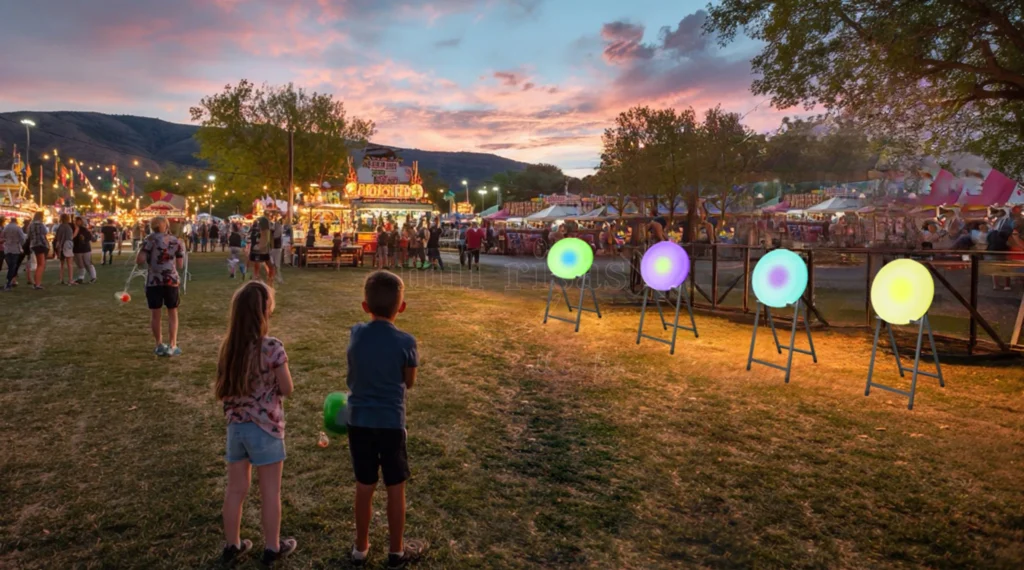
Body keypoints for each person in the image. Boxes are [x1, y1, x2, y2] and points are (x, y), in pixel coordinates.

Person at [346, 271, 428, 568]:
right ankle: (396, 552)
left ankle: (360, 548)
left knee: (364, 485)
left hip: (359, 422)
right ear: (401, 307)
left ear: (365, 306)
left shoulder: (356, 333)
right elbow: (410, 383)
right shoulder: (406, 341)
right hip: (392, 423)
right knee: (395, 486)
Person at [215, 281, 298, 567]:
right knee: (270, 492)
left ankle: (232, 544)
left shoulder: (229, 348)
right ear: (265, 311)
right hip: (266, 429)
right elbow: (287, 388)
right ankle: (272, 547)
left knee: (235, 490)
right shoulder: (272, 347)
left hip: (236, 430)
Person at [136, 216, 185, 356]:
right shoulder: (176, 241)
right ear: (166, 226)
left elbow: (139, 260)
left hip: (154, 281)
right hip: (171, 280)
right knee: (173, 312)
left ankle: (159, 344)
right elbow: (180, 265)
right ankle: (173, 344)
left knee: (155, 314)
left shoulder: (149, 240)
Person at [71, 216, 97, 284]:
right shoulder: (73, 229)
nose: (77, 222)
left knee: (87, 263)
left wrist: (84, 238)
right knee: (80, 264)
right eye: (76, 220)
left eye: (79, 221)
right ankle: (81, 277)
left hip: (85, 249)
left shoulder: (85, 230)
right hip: (76, 249)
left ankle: (93, 277)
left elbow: (91, 239)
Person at [27, 212, 49, 290]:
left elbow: (28, 235)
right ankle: (37, 283)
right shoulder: (41, 225)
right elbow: (45, 233)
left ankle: (36, 283)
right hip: (41, 244)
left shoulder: (31, 225)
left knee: (39, 264)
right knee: (41, 265)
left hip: (34, 245)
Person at [3, 216, 26, 291]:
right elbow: (23, 238)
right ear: (16, 221)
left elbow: (2, 236)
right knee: (13, 266)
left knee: (10, 265)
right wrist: (21, 245)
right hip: (15, 248)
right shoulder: (18, 228)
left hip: (7, 248)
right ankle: (9, 282)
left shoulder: (6, 227)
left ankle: (9, 281)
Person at [249, 217, 272, 282]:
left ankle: (259, 278)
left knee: (260, 265)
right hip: (262, 250)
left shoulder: (265, 231)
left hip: (262, 251)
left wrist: (258, 246)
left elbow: (265, 241)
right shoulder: (263, 230)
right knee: (259, 265)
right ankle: (258, 277)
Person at [54, 214, 75, 285]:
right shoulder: (68, 227)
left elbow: (58, 238)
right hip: (68, 244)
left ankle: (61, 278)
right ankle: (70, 279)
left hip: (61, 245)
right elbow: (70, 237)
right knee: (69, 263)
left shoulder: (60, 227)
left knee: (62, 263)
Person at [269, 215, 284, 284]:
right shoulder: (277, 229)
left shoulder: (273, 230)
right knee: (276, 265)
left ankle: (276, 277)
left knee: (274, 264)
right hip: (275, 248)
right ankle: (277, 278)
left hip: (274, 248)